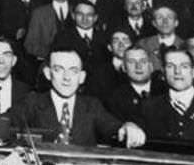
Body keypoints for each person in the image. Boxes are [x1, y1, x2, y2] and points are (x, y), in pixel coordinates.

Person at [9, 49, 146, 148]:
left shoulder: (92, 105)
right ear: (47, 73)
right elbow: (2, 125)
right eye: (58, 69)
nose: (67, 78)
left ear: (82, 77)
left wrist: (127, 126)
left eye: (73, 71)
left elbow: (112, 126)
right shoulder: (32, 102)